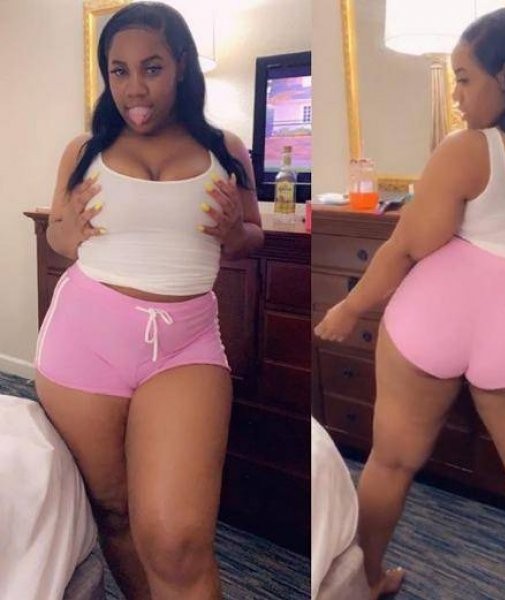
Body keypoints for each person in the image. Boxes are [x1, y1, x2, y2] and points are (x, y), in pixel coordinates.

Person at [315, 7, 505, 600]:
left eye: (465, 78)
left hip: (436, 314)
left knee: (390, 463)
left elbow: (406, 247)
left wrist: (349, 309)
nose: (456, 96)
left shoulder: (469, 150)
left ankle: (366, 582)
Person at [35, 2, 263, 598]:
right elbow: (58, 236)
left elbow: (252, 236)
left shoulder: (226, 150)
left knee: (179, 537)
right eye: (120, 71)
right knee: (113, 511)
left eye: (152, 68)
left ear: (181, 66)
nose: (134, 88)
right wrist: (69, 229)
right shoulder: (83, 150)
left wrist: (235, 233)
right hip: (85, 342)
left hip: (185, 346)